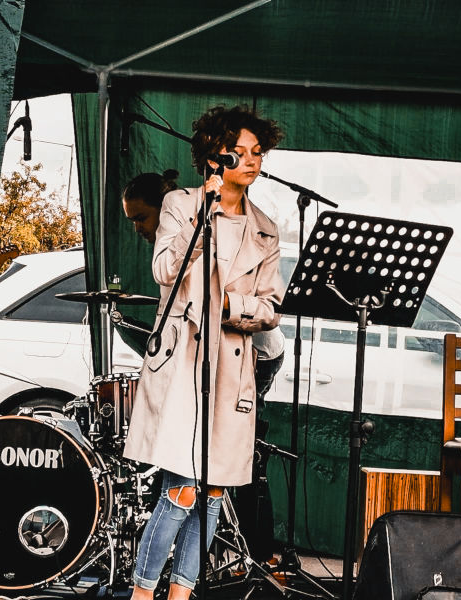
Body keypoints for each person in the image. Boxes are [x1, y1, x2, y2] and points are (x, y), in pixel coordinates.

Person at [123, 105, 285, 600]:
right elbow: (164, 271)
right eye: (241, 152)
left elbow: (271, 306)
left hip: (233, 367)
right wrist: (203, 216)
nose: (252, 161)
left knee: (214, 492)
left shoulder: (266, 226)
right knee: (182, 487)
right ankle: (143, 592)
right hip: (183, 363)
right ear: (214, 154)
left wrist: (228, 306)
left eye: (259, 152)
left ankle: (181, 593)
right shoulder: (180, 204)